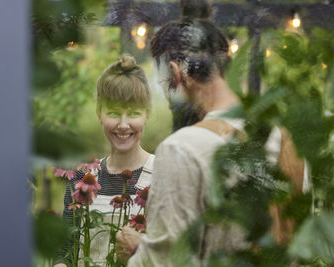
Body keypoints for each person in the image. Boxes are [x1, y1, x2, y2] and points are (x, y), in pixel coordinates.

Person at [116, 18, 308, 266]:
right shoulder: (287, 140)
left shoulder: (182, 148)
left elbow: (162, 263)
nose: (165, 98)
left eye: (164, 85)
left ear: (176, 72)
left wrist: (135, 250)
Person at [53, 55, 155, 267]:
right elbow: (65, 249)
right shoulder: (82, 177)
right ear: (99, 113)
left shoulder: (162, 175)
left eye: (134, 113)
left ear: (147, 115)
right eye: (114, 113)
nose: (123, 125)